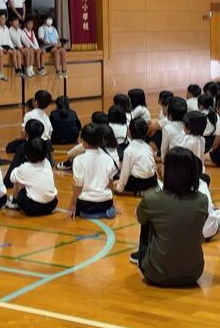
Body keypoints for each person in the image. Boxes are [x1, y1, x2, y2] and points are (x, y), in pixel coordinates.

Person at [129, 148, 208, 286]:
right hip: (193, 273)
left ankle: (143, 258)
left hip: (156, 275)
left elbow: (138, 216)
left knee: (147, 220)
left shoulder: (153, 199)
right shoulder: (202, 200)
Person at [67, 123, 119, 219]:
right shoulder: (108, 159)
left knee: (79, 200)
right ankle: (107, 211)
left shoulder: (78, 160)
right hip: (106, 202)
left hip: (87, 204)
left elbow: (78, 186)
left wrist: (72, 205)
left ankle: (91, 213)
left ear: (83, 141)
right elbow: (110, 184)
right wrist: (113, 203)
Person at [8, 138, 58, 216]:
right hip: (52, 203)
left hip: (32, 207)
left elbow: (12, 178)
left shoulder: (24, 168)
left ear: (27, 153)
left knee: (18, 179)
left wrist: (19, 168)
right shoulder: (47, 162)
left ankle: (14, 202)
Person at [116, 117, 159, 195]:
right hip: (152, 181)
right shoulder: (147, 146)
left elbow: (125, 173)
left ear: (129, 132)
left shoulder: (129, 150)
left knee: (114, 184)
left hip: (139, 184)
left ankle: (137, 192)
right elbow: (154, 166)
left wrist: (119, 188)